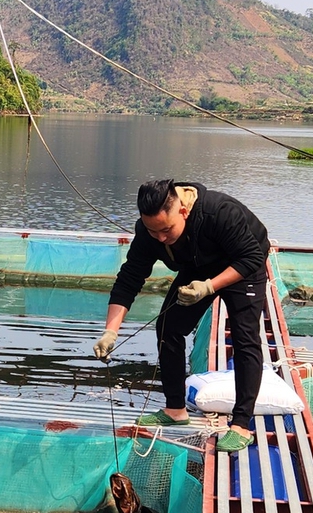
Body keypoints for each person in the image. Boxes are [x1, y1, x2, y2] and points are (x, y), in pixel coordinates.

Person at [93, 179, 271, 453]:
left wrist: (210, 286)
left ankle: (241, 425)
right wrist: (110, 331)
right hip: (198, 266)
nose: (161, 238)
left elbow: (251, 256)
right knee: (168, 327)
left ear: (184, 212)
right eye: (154, 232)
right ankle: (176, 409)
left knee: (244, 337)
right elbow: (129, 279)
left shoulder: (219, 212)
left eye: (166, 230)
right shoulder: (148, 231)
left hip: (244, 263)